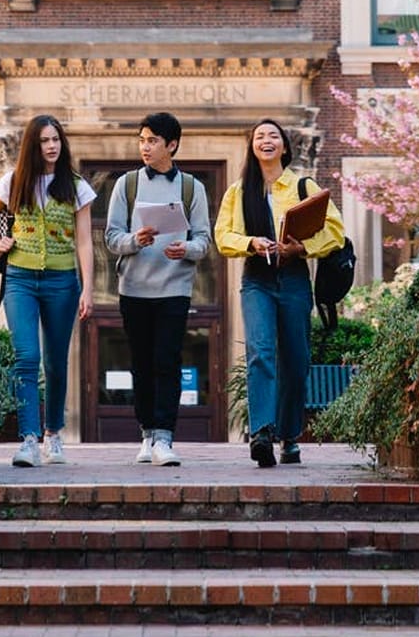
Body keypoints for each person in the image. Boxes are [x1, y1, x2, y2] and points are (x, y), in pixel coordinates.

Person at [213, 119, 345, 467]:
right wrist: (251, 242)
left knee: (296, 359)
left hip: (295, 279)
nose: (266, 141)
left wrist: (301, 249)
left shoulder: (303, 185)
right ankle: (261, 434)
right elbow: (223, 236)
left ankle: (289, 436)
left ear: (284, 147)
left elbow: (335, 231)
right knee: (260, 352)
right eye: (259, 136)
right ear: (252, 147)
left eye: (273, 136)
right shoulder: (238, 192)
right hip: (257, 279)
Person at [0, 114, 96, 467]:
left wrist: (88, 288)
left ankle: (54, 434)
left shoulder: (76, 186)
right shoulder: (14, 182)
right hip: (20, 278)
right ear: (34, 145)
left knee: (56, 363)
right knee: (26, 358)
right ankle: (29, 439)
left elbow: (85, 243)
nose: (52, 146)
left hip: (62, 282)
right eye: (45, 141)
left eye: (56, 140)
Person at [104, 112, 213, 467]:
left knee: (167, 361)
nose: (145, 147)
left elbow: (203, 240)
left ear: (172, 145)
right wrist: (135, 240)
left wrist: (187, 249)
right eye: (142, 140)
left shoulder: (191, 187)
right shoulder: (127, 184)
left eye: (152, 140)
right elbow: (111, 237)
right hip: (134, 288)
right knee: (141, 363)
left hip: (175, 288)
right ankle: (147, 433)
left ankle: (165, 437)